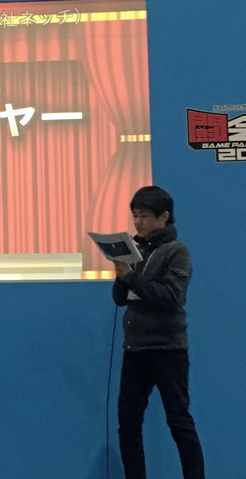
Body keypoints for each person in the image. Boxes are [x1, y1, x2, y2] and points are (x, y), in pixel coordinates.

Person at [112, 186, 204, 479]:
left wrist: (131, 276)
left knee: (179, 422)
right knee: (128, 423)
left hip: (167, 350)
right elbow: (119, 299)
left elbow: (170, 297)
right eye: (135, 216)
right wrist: (121, 273)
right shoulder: (135, 249)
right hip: (135, 349)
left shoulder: (176, 251)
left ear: (164, 216)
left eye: (144, 216)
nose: (138, 222)